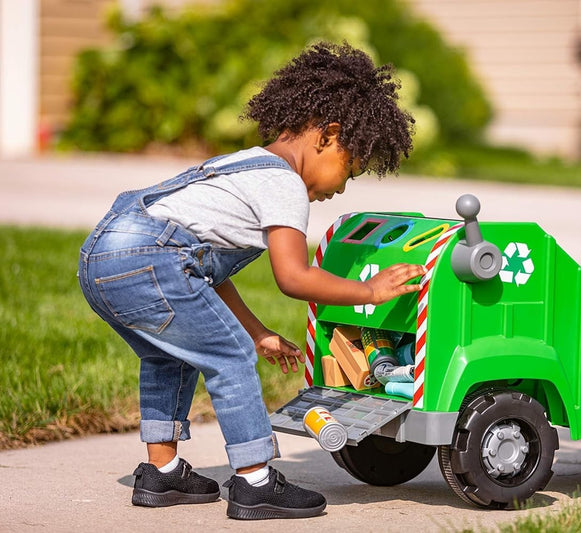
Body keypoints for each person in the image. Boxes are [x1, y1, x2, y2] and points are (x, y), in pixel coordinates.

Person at [77, 42, 423, 520]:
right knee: (229, 357)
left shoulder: (243, 164)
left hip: (104, 255)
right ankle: (255, 481)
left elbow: (200, 269)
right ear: (328, 135)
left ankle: (162, 472)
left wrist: (257, 330)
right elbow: (294, 277)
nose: (342, 186)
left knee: (169, 354)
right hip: (149, 255)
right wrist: (370, 290)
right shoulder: (283, 182)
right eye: (350, 168)